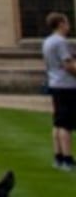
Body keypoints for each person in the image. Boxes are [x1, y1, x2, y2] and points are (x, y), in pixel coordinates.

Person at [43, 11, 76, 171]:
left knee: (57, 123)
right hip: (66, 85)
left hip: (54, 83)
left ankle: (58, 156)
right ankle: (68, 159)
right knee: (66, 124)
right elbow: (68, 65)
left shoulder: (47, 41)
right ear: (61, 24)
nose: (69, 26)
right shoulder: (60, 42)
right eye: (67, 22)